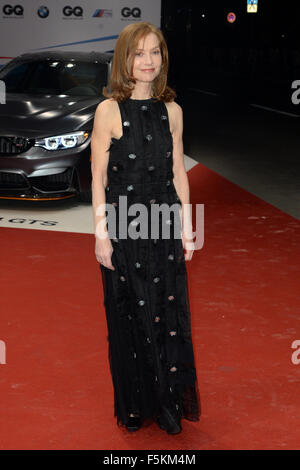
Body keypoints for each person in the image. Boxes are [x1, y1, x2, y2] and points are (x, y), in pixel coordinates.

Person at [91, 21, 201, 434]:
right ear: (124, 59)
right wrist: (102, 235)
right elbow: (98, 177)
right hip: (124, 228)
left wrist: (187, 228)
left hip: (164, 225)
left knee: (168, 313)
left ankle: (168, 403)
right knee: (131, 318)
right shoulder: (108, 111)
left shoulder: (172, 110)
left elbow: (177, 171)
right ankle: (135, 405)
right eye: (139, 53)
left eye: (155, 52)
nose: (148, 61)